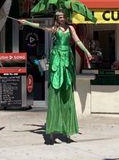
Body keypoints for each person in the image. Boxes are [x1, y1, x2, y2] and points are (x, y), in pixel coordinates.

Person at [18, 11, 93, 145]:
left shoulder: (70, 28)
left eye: (63, 16)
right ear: (57, 19)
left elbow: (77, 41)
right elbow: (40, 26)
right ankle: (52, 130)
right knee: (55, 90)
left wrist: (87, 52)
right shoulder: (55, 29)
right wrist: (27, 22)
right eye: (59, 17)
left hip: (67, 60)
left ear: (66, 17)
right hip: (57, 58)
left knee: (67, 91)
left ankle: (67, 130)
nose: (61, 18)